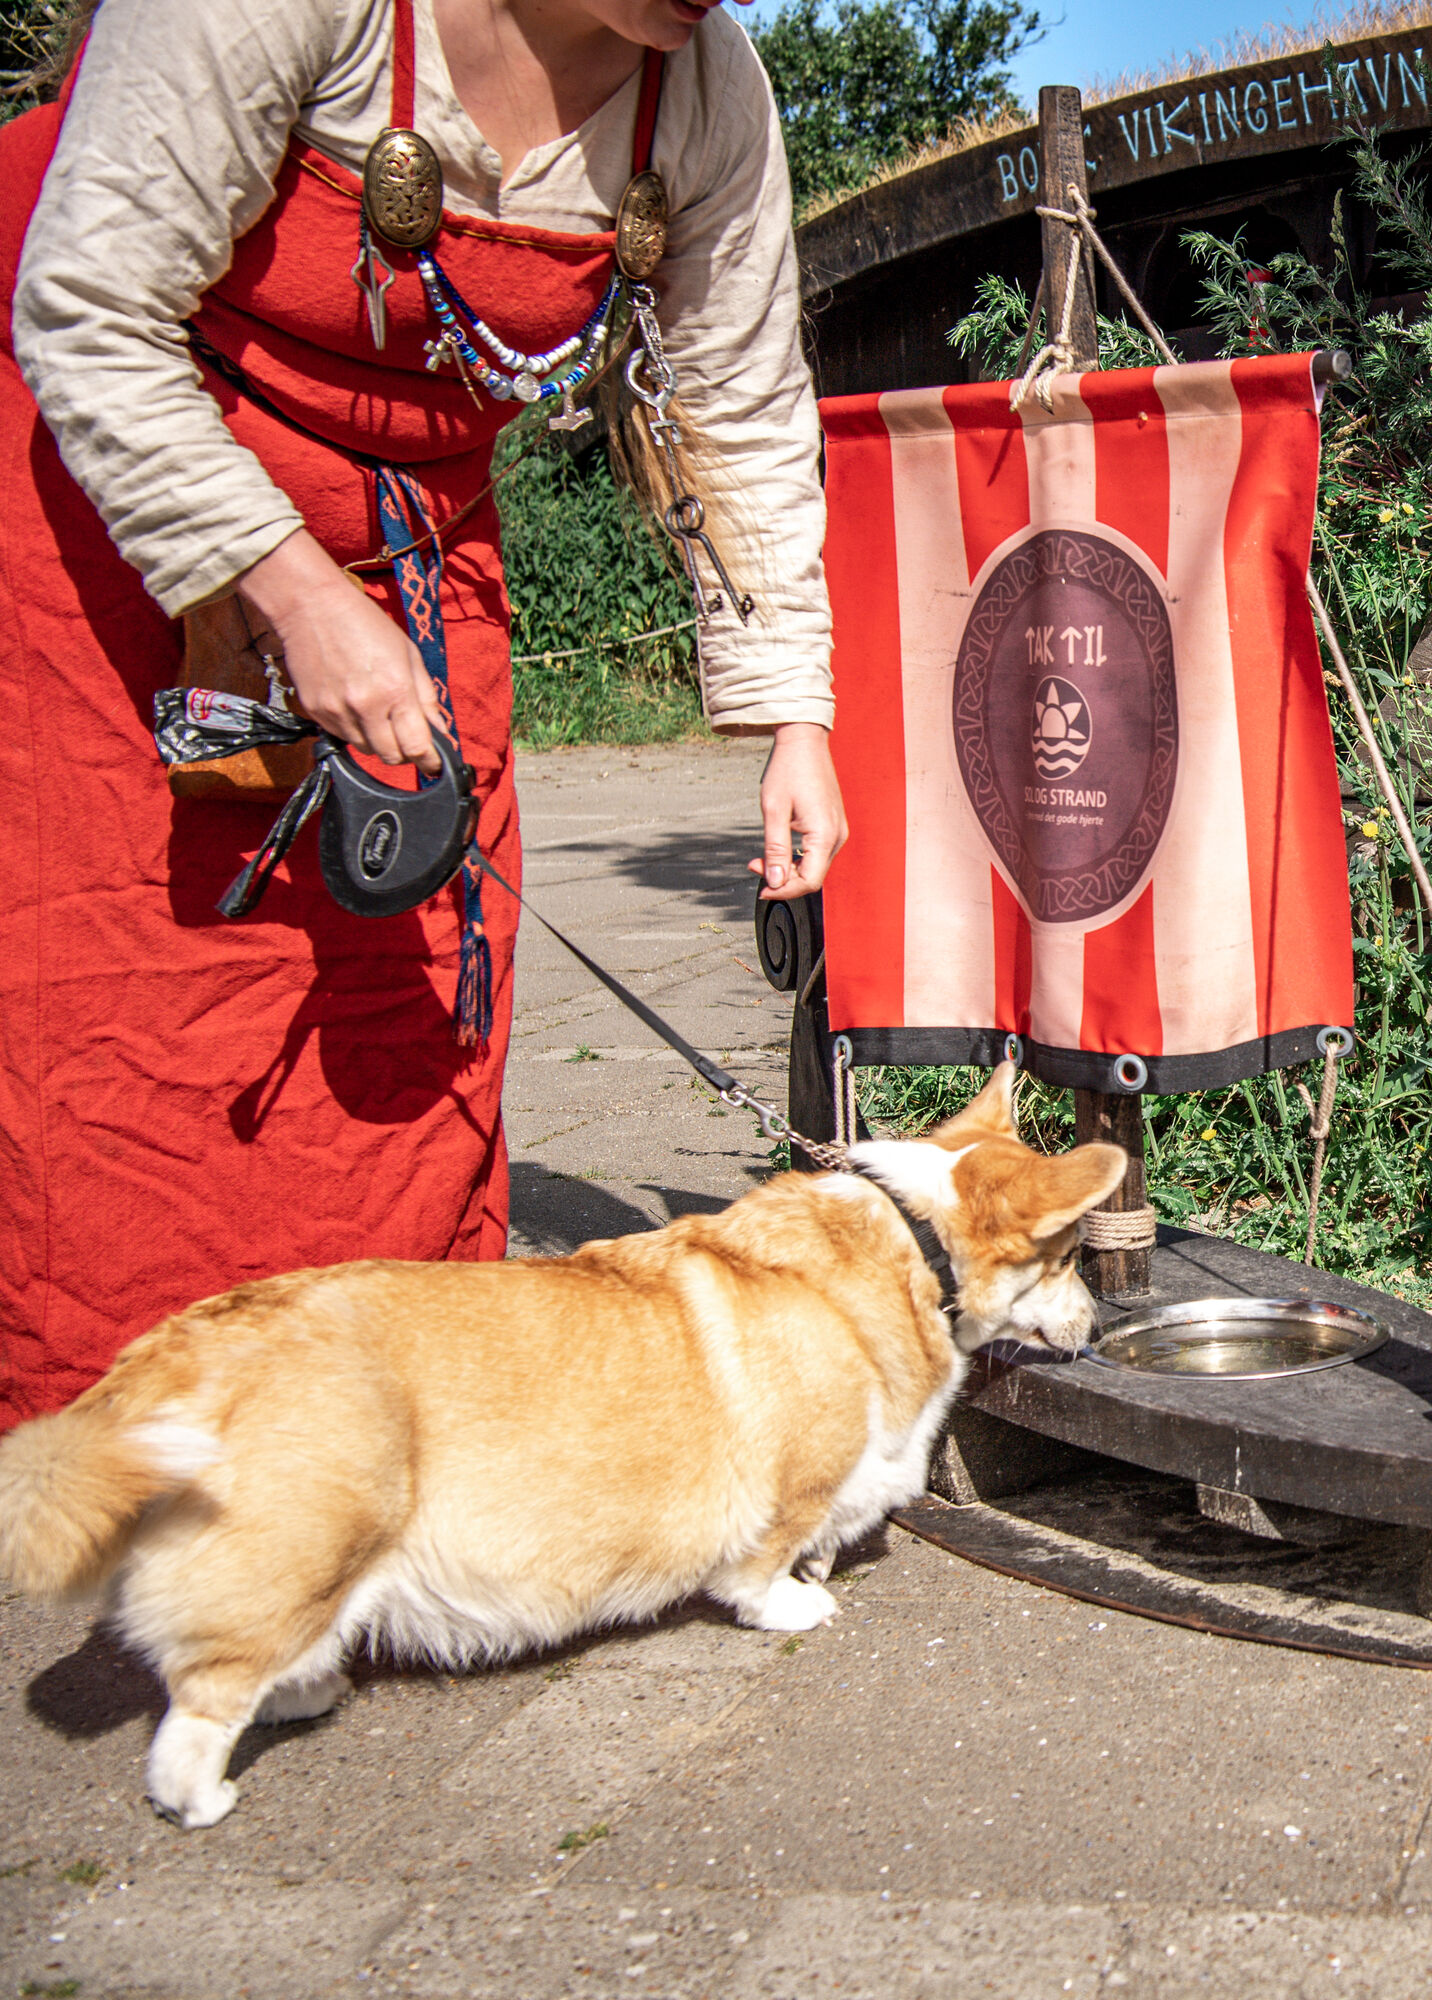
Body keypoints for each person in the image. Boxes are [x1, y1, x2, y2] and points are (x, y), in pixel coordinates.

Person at [0, 0, 845, 1424]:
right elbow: (86, 308)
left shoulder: (707, 95)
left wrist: (793, 723)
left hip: (412, 525)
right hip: (109, 471)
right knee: (127, 999)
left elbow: (741, 407)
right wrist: (287, 590)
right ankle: (115, 1454)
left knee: (415, 988)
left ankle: (367, 1447)